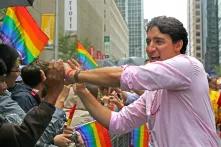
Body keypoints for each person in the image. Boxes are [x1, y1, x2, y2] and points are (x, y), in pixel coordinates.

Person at [64, 16, 221, 146]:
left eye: (159, 42)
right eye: (148, 42)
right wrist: (82, 91)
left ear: (178, 45)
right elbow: (118, 123)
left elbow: (123, 75)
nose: (150, 48)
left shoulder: (188, 66)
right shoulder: (153, 92)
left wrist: (76, 74)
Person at [0, 44, 65, 146]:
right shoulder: (22, 98)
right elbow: (31, 137)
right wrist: (56, 98)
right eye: (17, 69)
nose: (4, 87)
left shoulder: (12, 94)